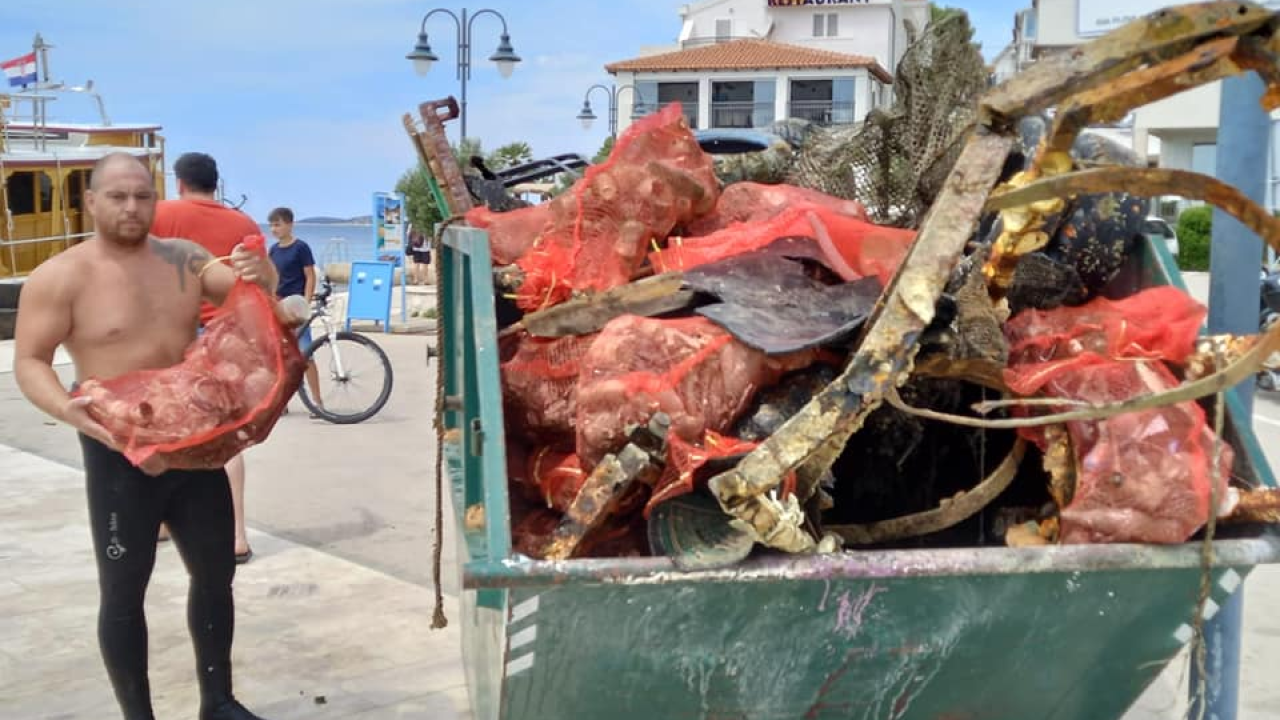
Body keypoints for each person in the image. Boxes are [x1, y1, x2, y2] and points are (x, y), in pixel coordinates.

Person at [13, 152, 277, 720]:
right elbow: (31, 360)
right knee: (124, 589)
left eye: (141, 195)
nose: (131, 207)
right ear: (90, 201)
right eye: (117, 196)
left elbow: (242, 291)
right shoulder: (61, 276)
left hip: (194, 446)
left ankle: (219, 701)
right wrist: (71, 410)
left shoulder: (184, 260)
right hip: (117, 451)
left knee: (216, 573)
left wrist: (265, 274)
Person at [151, 152, 260, 564]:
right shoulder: (244, 224)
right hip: (230, 336)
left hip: (178, 335)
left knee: (168, 427)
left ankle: (162, 521)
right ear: (216, 182)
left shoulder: (162, 214)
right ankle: (237, 535)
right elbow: (254, 281)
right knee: (227, 436)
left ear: (179, 182)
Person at [265, 207, 323, 413]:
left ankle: (317, 401)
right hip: (279, 307)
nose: (274, 229)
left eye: (278, 224)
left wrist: (306, 301)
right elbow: (271, 279)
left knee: (306, 355)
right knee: (281, 357)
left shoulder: (301, 248)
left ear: (290, 224)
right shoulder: (273, 251)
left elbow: (310, 276)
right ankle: (283, 403)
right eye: (272, 225)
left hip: (297, 307)